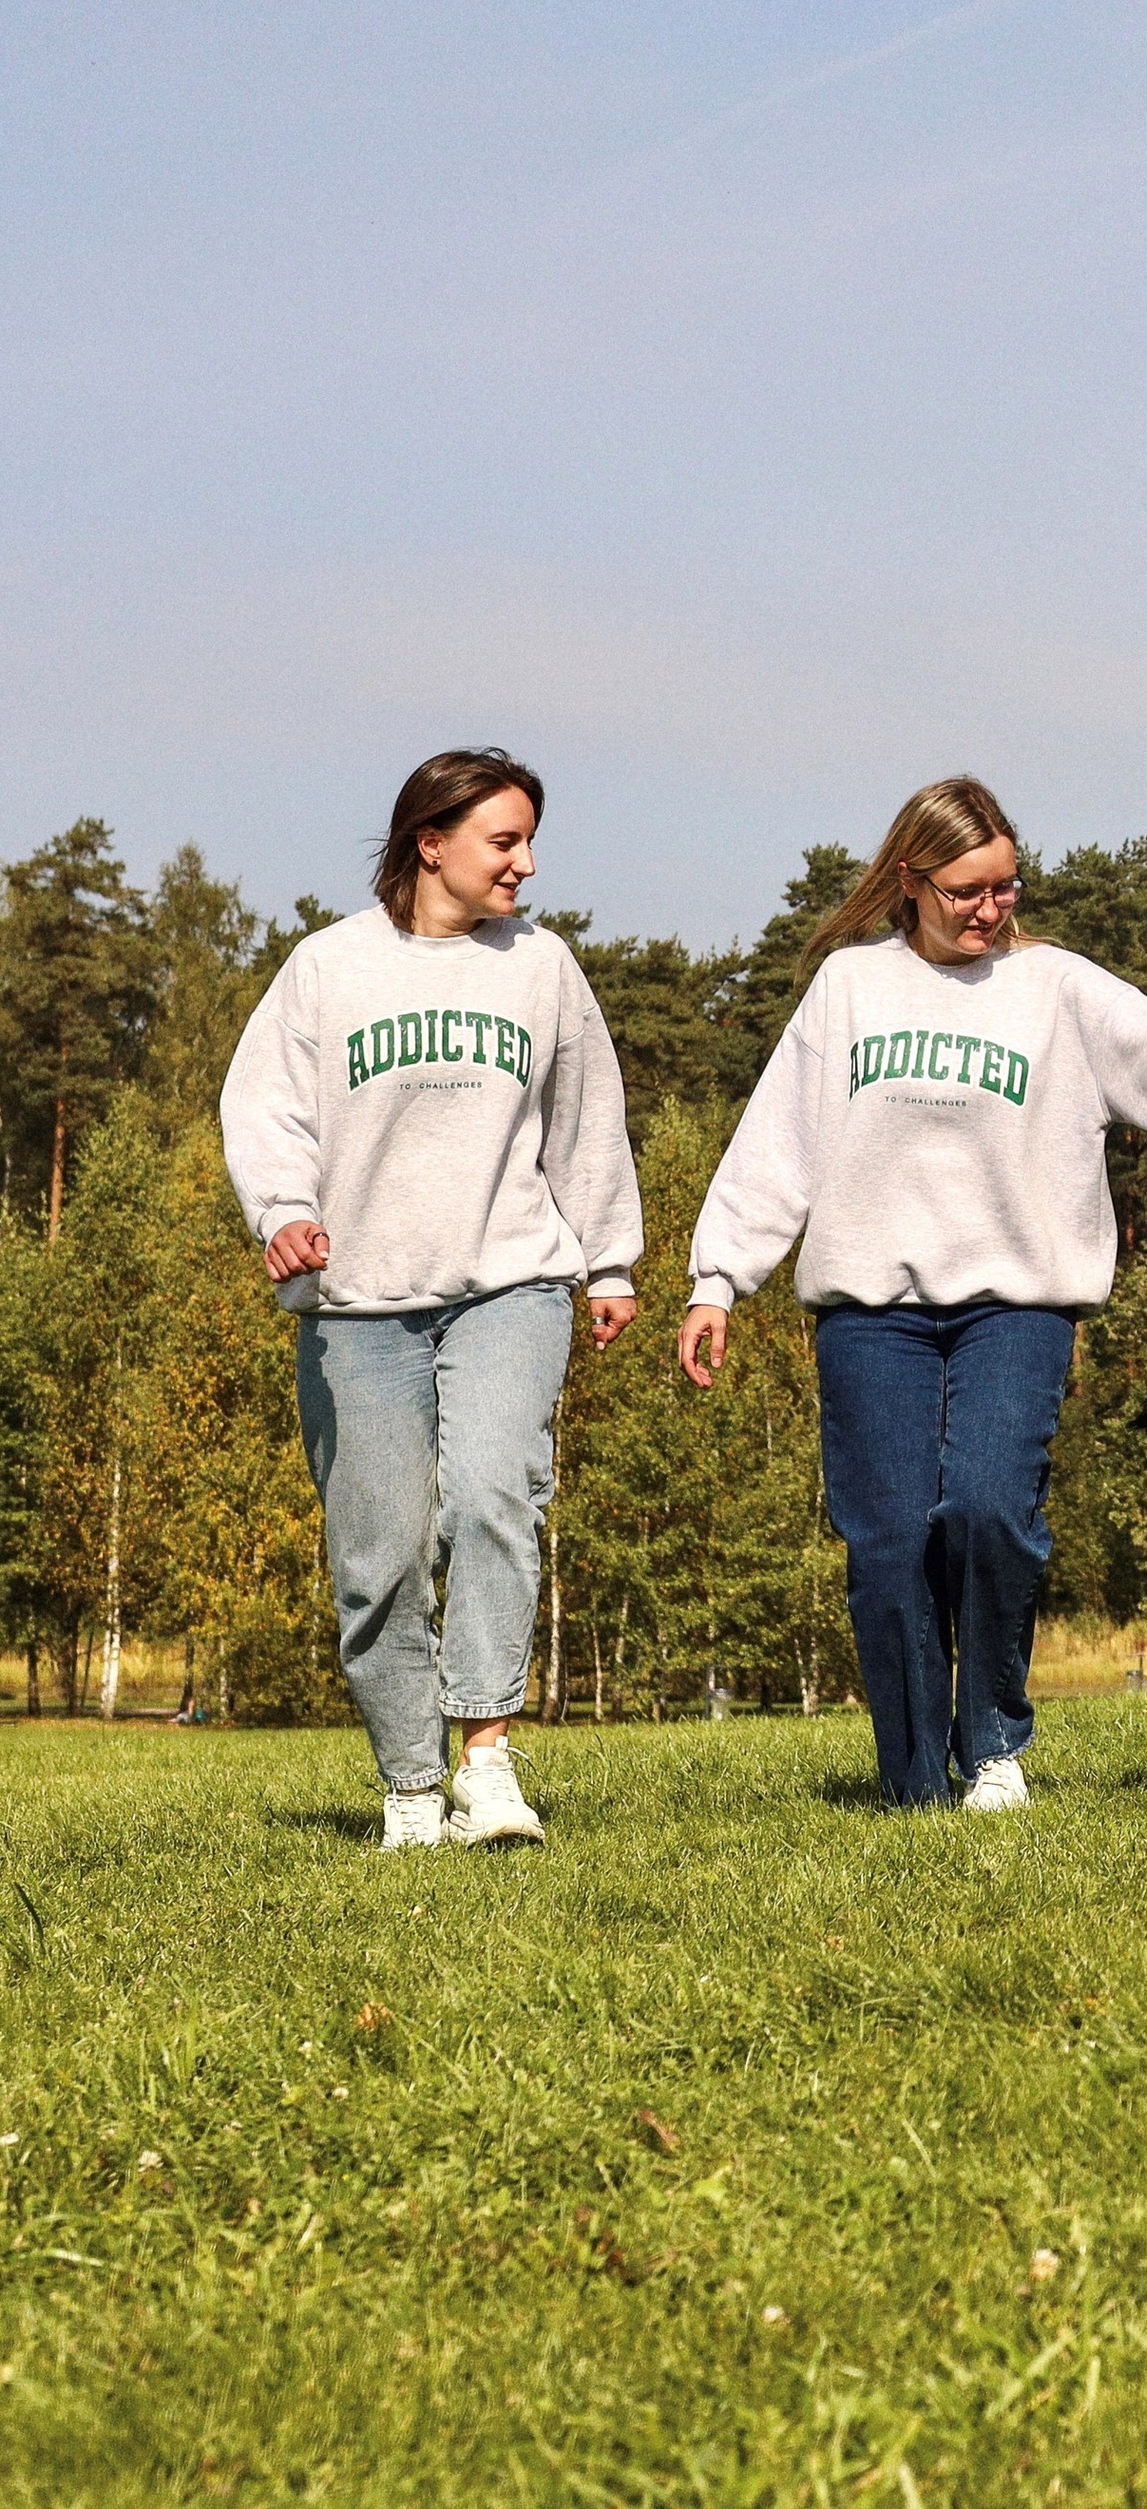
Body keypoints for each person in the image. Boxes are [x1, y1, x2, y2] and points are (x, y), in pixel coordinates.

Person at [678, 775, 1147, 1812]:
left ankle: (993, 1743)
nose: (990, 908)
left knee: (989, 1512)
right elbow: (778, 1142)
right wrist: (718, 1279)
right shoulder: (849, 989)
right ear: (909, 881)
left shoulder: (1056, 990)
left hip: (1017, 1307)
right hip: (872, 1315)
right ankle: (913, 1779)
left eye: (1006, 885)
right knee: (888, 1543)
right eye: (966, 889)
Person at [220, 748, 643, 1848]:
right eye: (504, 841)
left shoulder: (542, 967)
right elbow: (265, 1109)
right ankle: (412, 1783)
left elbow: (587, 1116)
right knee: (380, 1548)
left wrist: (608, 1262)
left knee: (497, 1496)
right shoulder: (327, 968)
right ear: (431, 842)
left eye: (527, 841)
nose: (526, 864)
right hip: (357, 1301)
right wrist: (282, 1211)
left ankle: (487, 1760)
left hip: (511, 1278)